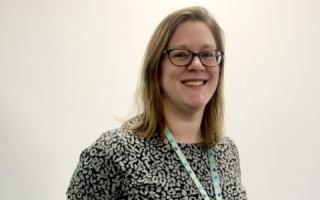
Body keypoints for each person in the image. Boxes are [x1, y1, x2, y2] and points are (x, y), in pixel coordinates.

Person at [66, 6, 247, 200]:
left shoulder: (226, 151)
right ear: (156, 69)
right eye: (180, 54)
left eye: (207, 54)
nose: (197, 64)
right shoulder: (111, 153)